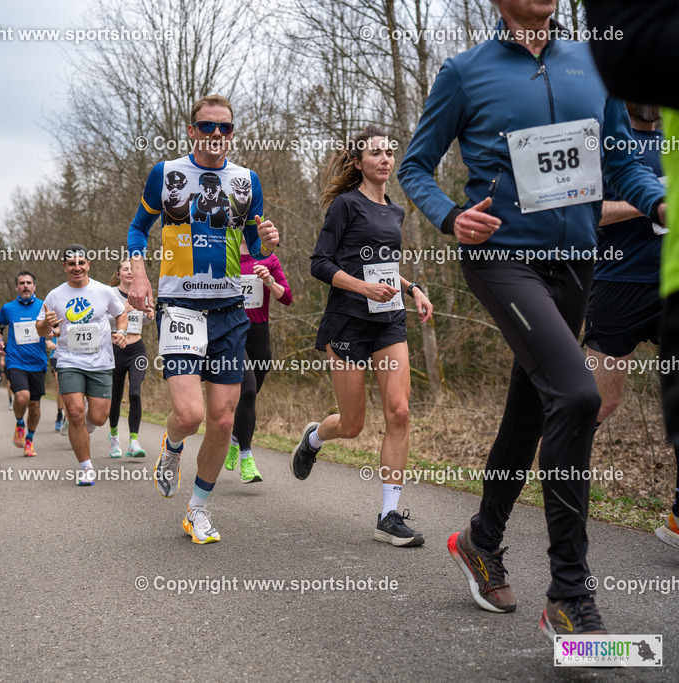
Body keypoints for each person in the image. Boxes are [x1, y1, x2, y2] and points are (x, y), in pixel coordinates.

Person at [397, 0, 667, 638]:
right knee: (575, 395)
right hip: (501, 259)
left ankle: (482, 539)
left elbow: (620, 162)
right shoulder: (466, 71)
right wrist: (447, 215)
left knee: (531, 405)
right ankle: (570, 596)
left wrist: (658, 203)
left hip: (576, 263)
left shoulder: (591, 64)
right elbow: (416, 164)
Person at [127, 93, 280, 544]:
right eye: (207, 127)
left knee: (223, 421)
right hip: (180, 307)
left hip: (231, 309)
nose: (217, 136)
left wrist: (268, 241)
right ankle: (172, 446)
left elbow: (257, 244)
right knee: (190, 414)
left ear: (232, 133)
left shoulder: (247, 180)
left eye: (225, 128)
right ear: (192, 130)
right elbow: (139, 227)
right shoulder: (167, 173)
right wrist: (138, 276)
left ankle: (197, 510)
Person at [290, 127, 433, 546]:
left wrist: (412, 288)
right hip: (348, 321)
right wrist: (362, 287)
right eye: (376, 153)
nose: (385, 159)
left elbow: (383, 265)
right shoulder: (344, 206)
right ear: (359, 162)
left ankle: (388, 515)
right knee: (352, 425)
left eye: (390, 152)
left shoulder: (395, 210)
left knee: (400, 413)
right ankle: (314, 437)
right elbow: (320, 264)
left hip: (389, 320)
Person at [585, 0, 679, 552]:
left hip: (668, 284)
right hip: (616, 286)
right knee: (598, 404)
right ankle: (560, 483)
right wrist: (647, 204)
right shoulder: (604, 137)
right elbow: (583, 210)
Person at [36, 246, 127, 485]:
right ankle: (86, 467)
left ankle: (85, 423)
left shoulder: (104, 291)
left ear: (89, 265)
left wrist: (122, 332)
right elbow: (40, 329)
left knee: (98, 417)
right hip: (69, 360)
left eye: (81, 263)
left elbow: (121, 314)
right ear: (64, 266)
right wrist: (46, 324)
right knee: (75, 412)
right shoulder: (54, 296)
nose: (76, 267)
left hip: (101, 361)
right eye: (71, 263)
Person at [224, 239, 292, 483]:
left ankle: (235, 438)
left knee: (251, 392)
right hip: (233, 333)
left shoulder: (268, 257)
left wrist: (269, 281)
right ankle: (247, 458)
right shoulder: (223, 256)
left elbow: (287, 298)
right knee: (249, 390)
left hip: (259, 333)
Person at [0, 272, 48, 458]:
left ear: (34, 286)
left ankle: (29, 440)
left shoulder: (44, 306)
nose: (25, 286)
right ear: (16, 287)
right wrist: (0, 340)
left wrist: (52, 333)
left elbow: (56, 327)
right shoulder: (8, 309)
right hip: (15, 361)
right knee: (22, 397)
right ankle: (19, 424)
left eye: (29, 283)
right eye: (22, 283)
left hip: (38, 362)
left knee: (34, 406)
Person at [108, 259, 153, 458]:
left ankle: (133, 441)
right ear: (118, 274)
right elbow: (100, 319)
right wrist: (121, 312)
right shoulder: (110, 294)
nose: (129, 272)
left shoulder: (141, 292)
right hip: (115, 348)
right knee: (115, 397)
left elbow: (142, 320)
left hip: (137, 350)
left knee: (135, 393)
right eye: (124, 269)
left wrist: (149, 314)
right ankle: (114, 437)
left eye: (131, 269)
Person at [47, 323, 66, 433]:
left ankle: (70, 415)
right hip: (56, 355)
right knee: (61, 386)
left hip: (74, 352)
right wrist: (47, 341)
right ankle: (60, 415)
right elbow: (44, 330)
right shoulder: (53, 310)